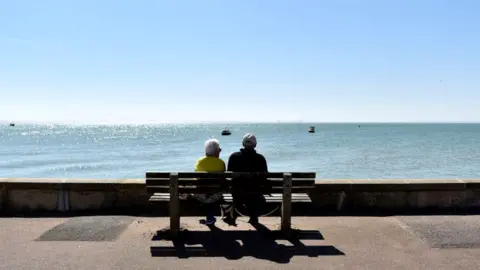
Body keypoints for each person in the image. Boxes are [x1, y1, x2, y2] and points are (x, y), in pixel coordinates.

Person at [226, 133, 268, 224]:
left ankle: (232, 214)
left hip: (238, 192)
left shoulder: (234, 157)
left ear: (243, 143)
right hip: (256, 192)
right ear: (255, 145)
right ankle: (253, 217)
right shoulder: (261, 158)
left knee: (239, 193)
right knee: (253, 194)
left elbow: (229, 175)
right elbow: (265, 177)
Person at [193, 138, 226, 225]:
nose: (220, 151)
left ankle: (209, 217)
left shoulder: (199, 162)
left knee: (206, 192)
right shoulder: (221, 163)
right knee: (213, 193)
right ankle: (210, 218)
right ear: (215, 151)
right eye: (219, 150)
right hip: (215, 194)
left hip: (200, 194)